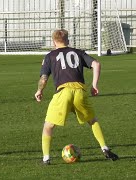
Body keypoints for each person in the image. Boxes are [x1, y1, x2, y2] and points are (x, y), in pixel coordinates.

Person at [34, 29, 119, 165]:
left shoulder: (49, 56)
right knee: (92, 121)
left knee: (48, 126)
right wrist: (94, 85)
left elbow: (44, 79)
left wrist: (39, 91)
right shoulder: (78, 52)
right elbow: (96, 64)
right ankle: (105, 149)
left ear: (53, 41)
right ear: (67, 40)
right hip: (80, 91)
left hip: (63, 93)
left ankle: (46, 159)